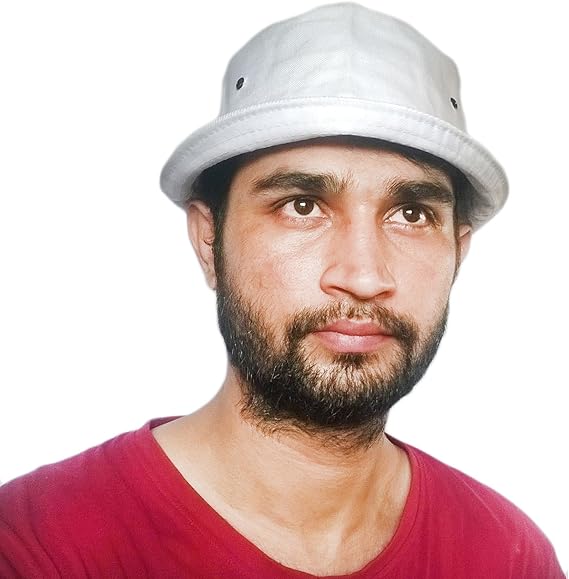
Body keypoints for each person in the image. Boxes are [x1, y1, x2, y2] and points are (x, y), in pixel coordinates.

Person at [0, 3, 564, 577]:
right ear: (209, 241)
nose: (364, 276)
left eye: (411, 214)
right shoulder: (38, 544)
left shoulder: (508, 557)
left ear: (458, 253)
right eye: (302, 206)